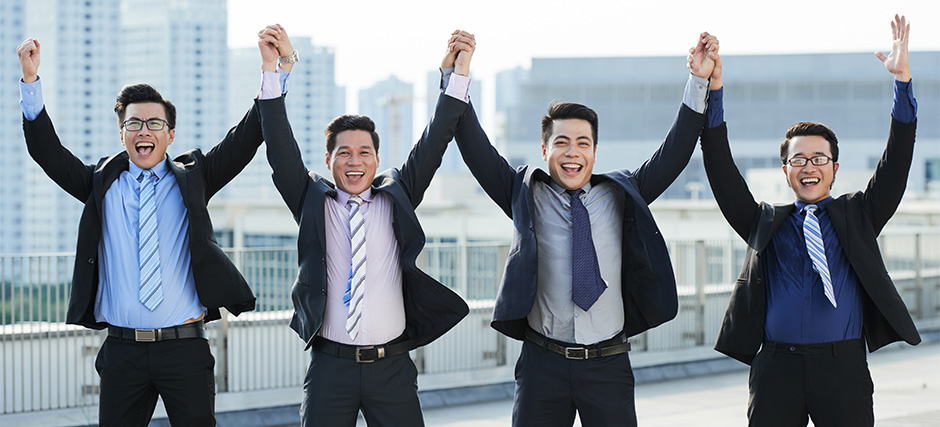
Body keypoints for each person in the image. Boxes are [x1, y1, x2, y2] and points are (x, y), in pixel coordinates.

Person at [15, 30, 286, 425]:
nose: (144, 131)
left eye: (155, 123)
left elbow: (245, 139)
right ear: (121, 133)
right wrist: (30, 81)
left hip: (185, 350)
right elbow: (46, 152)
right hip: (123, 352)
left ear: (170, 135)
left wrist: (269, 71)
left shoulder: (195, 178)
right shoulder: (100, 185)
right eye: (134, 123)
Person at [452, 33, 719, 426]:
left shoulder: (621, 194)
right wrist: (458, 77)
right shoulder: (526, 194)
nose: (572, 152)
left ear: (595, 151)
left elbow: (675, 151)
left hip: (608, 366)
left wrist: (699, 82)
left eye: (583, 143)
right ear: (545, 151)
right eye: (561, 142)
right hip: (543, 365)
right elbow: (475, 149)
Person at [699, 15, 921, 426]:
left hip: (843, 367)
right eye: (797, 159)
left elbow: (896, 165)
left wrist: (902, 84)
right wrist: (713, 89)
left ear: (835, 167)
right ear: (785, 171)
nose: (808, 166)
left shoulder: (859, 214)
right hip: (776, 368)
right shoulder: (763, 222)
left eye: (819, 158)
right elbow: (720, 169)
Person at [256, 26, 473, 427]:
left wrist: (453, 78)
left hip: (391, 368)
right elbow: (279, 146)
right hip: (330, 368)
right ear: (328, 159)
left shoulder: (398, 194)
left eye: (364, 153)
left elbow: (436, 138)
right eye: (344, 153)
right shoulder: (311, 200)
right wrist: (276, 69)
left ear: (376, 159)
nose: (354, 161)